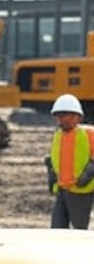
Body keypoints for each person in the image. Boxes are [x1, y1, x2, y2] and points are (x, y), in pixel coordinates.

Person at [46, 93, 94, 230]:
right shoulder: (58, 135)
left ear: (77, 117)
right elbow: (54, 160)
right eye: (58, 116)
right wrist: (52, 179)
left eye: (64, 115)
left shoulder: (89, 133)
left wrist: (86, 176)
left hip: (81, 191)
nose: (60, 119)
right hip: (62, 189)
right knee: (57, 228)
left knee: (79, 230)